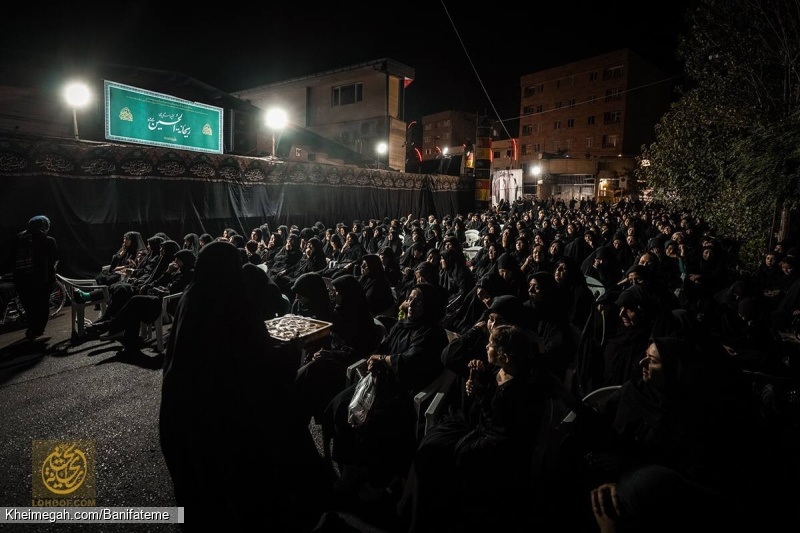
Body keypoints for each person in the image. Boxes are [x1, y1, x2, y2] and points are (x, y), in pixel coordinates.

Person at [159, 241, 326, 529]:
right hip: (222, 412)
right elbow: (255, 360)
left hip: (182, 406)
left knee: (200, 488)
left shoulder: (193, 295)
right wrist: (292, 350)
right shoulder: (229, 301)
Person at [397, 324, 545, 532]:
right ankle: (412, 510)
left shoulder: (515, 390)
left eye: (492, 344)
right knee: (430, 444)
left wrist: (479, 394)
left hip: (491, 442)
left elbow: (498, 426)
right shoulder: (499, 369)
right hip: (478, 427)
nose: (486, 347)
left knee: (439, 458)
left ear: (506, 355)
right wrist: (479, 376)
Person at [323, 282, 449, 501]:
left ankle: (378, 480)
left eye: (418, 301)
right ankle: (351, 467)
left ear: (429, 306)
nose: (411, 304)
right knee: (342, 405)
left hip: (403, 389)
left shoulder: (432, 333)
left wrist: (381, 360)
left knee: (376, 421)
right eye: (410, 298)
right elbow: (385, 347)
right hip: (382, 382)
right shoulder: (404, 325)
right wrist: (376, 360)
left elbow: (410, 361)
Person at [10, 215, 58, 340]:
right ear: (44, 226)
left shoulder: (19, 238)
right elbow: (52, 261)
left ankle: (32, 328)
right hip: (41, 279)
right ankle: (38, 329)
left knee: (29, 306)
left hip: (21, 280)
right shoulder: (48, 240)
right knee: (41, 305)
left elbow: (12, 259)